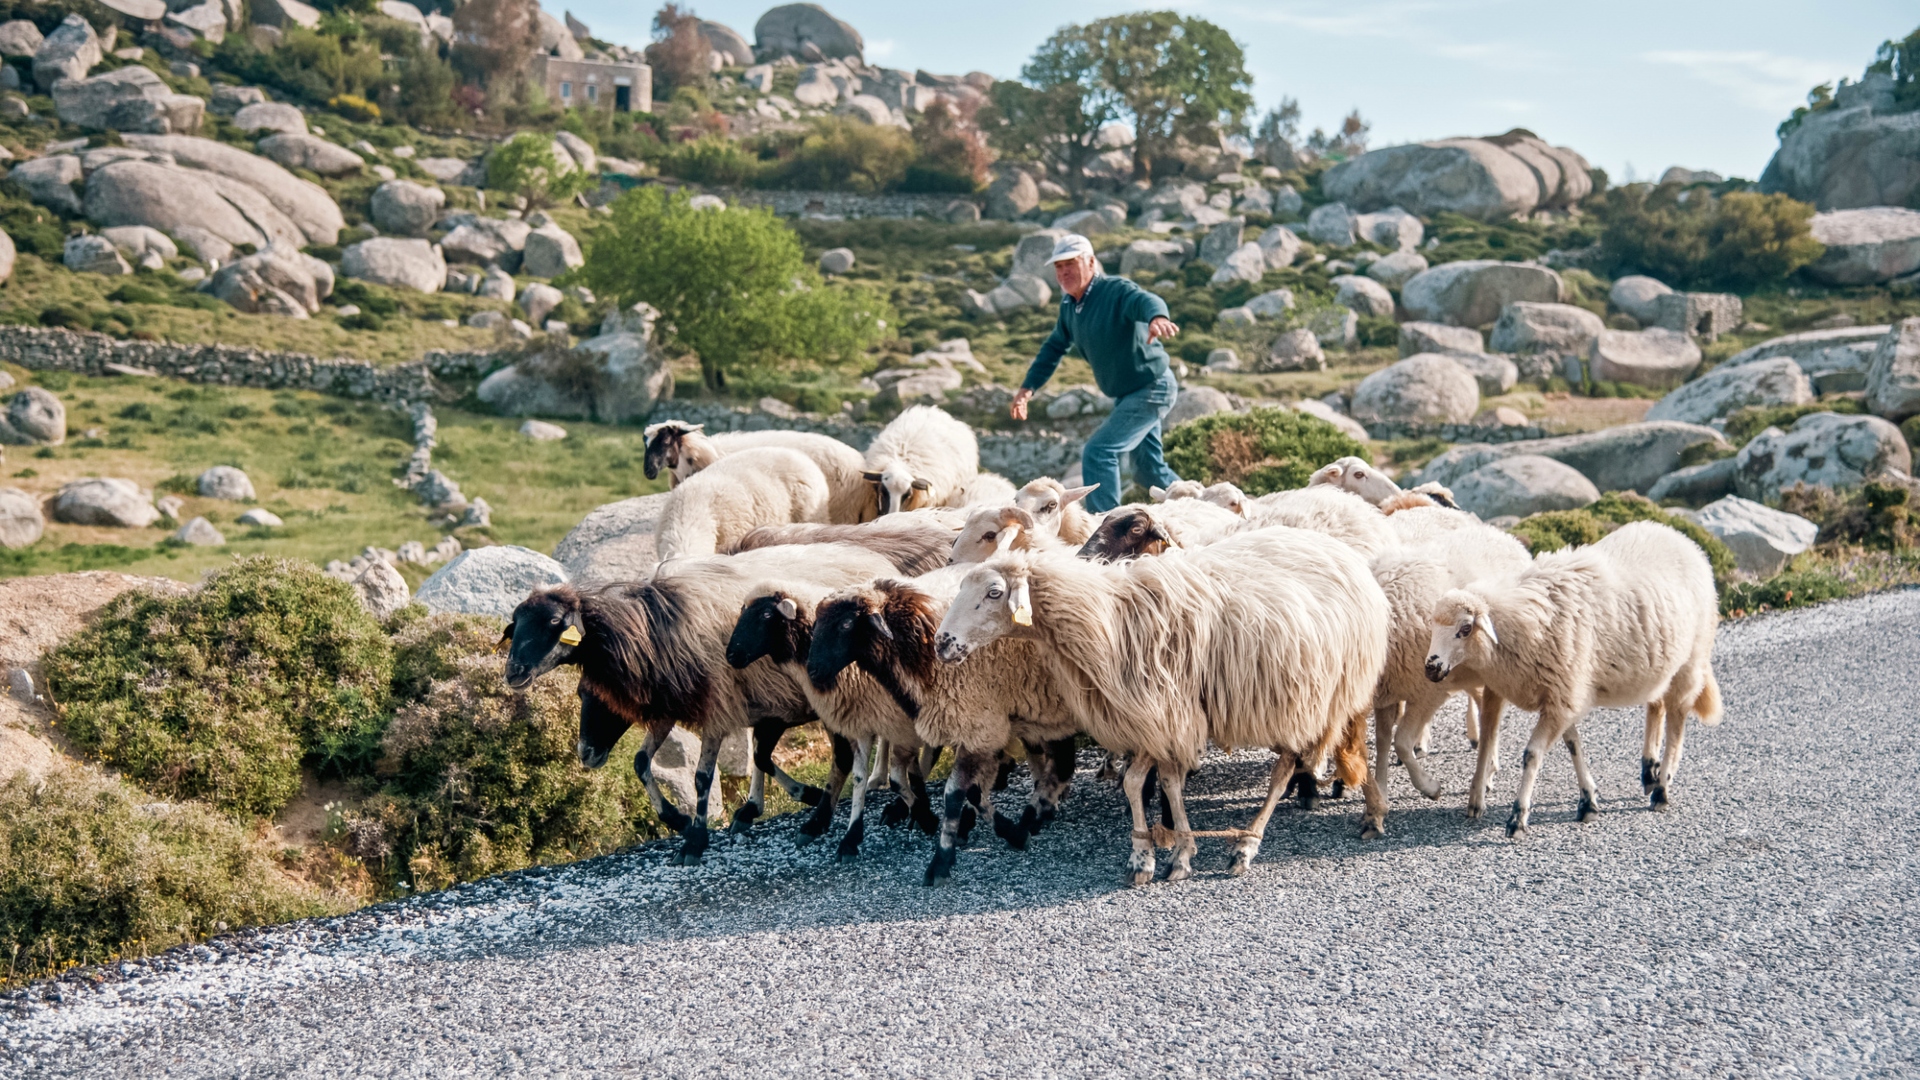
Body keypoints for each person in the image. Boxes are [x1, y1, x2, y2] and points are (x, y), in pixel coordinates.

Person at [1010, 234, 1182, 513]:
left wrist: (1157, 317)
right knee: (1148, 471)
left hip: (1152, 386)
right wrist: (1027, 388)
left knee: (1099, 452)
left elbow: (1145, 300)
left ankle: (1105, 528)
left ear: (1091, 262)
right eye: (1058, 267)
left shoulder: (1114, 290)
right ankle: (1204, 506)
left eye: (1071, 264)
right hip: (1128, 394)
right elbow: (1053, 348)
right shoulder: (1070, 306)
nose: (1064, 272)